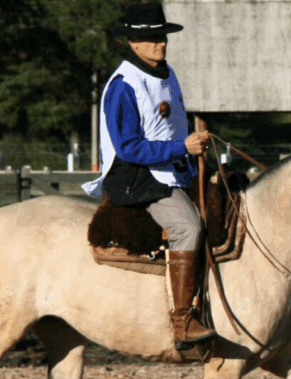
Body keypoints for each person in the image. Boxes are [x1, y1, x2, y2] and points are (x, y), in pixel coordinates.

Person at [83, 3, 215, 352]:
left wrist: (191, 148)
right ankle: (183, 320)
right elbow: (128, 147)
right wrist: (182, 147)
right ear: (133, 42)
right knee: (188, 226)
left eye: (163, 36)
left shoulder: (166, 74)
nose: (161, 43)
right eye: (153, 38)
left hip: (172, 166)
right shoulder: (123, 85)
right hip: (136, 176)